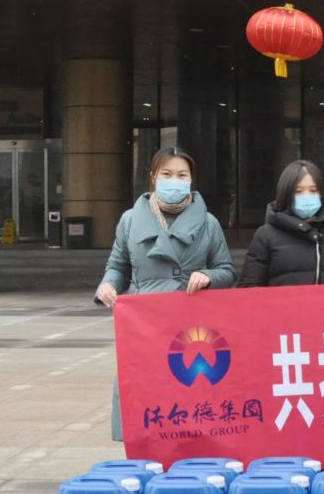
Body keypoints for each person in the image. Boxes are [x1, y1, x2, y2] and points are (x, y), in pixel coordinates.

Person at [95, 147, 236, 441]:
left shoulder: (208, 223)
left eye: (182, 175)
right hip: (144, 326)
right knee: (145, 398)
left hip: (191, 328)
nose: (175, 181)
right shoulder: (130, 220)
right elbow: (118, 267)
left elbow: (226, 270)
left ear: (191, 179)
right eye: (167, 174)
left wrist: (208, 276)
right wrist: (107, 285)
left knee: (190, 398)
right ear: (153, 177)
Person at [239, 159, 324, 287]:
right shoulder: (266, 235)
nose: (307, 196)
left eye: (313, 190)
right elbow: (249, 286)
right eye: (298, 191)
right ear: (286, 194)